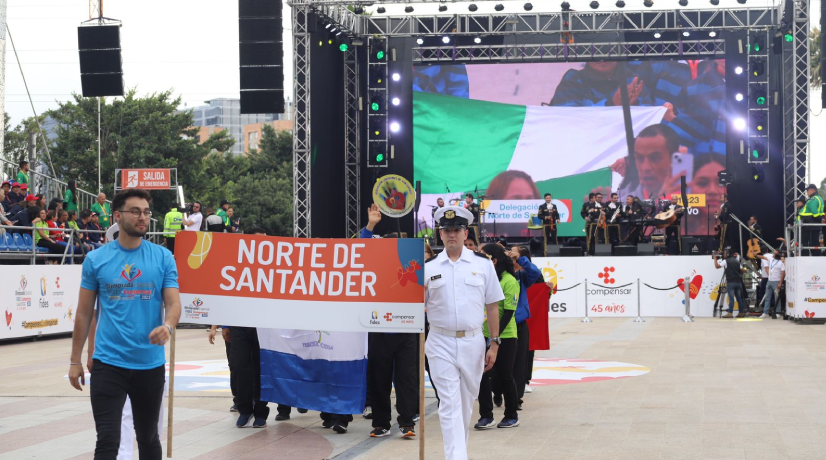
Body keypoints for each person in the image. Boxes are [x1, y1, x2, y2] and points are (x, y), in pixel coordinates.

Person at [68, 188, 181, 459]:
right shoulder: (96, 259)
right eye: (135, 211)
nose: (142, 217)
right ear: (117, 216)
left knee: (148, 437)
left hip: (149, 365)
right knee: (107, 439)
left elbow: (174, 304)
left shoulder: (163, 257)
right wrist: (75, 361)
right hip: (109, 364)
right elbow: (84, 314)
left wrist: (168, 326)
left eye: (145, 212)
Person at [425, 205, 503, 460]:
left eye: (456, 229)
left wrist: (494, 343)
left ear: (465, 232)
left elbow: (492, 305)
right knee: (448, 404)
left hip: (473, 342)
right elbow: (415, 305)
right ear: (440, 234)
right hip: (439, 341)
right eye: (446, 230)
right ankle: (456, 457)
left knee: (466, 404)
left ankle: (459, 453)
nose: (451, 234)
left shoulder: (482, 265)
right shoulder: (427, 267)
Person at [360, 204, 418, 438]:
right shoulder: (373, 265)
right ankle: (381, 422)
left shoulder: (411, 265)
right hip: (378, 329)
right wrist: (371, 225)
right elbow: (362, 250)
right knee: (379, 379)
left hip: (406, 330)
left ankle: (407, 422)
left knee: (407, 379)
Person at [475, 243, 520, 430]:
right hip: (482, 334)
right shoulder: (483, 279)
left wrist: (495, 337)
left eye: (483, 256)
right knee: (482, 375)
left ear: (493, 261)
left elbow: (508, 313)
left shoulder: (509, 281)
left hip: (506, 336)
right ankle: (486, 415)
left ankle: (511, 414)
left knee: (504, 376)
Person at [616, 124, 682, 202]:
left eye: (655, 158)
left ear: (675, 160)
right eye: (639, 158)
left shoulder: (694, 197)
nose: (645, 168)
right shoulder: (622, 207)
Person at [510, 246, 541, 407]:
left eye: (515, 252)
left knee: (520, 361)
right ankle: (500, 391)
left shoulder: (522, 275)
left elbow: (536, 273)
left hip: (520, 323)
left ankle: (517, 397)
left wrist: (521, 260)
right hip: (502, 323)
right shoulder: (500, 275)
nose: (512, 254)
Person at [687, 153, 726, 236]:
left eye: (721, 183)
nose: (712, 191)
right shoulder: (677, 227)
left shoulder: (742, 230)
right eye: (703, 183)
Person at [713, 249, 747, 318]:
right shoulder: (737, 261)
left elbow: (717, 266)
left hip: (731, 282)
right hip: (738, 282)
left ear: (728, 254)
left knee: (731, 298)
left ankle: (730, 313)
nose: (724, 254)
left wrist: (715, 259)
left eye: (725, 253)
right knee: (739, 298)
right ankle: (741, 312)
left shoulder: (726, 261)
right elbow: (743, 270)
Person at [756, 249, 785, 319]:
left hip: (776, 281)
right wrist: (755, 255)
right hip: (769, 281)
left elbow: (783, 273)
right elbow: (763, 257)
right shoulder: (771, 259)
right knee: (767, 297)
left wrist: (780, 283)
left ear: (777, 255)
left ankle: (778, 312)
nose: (773, 254)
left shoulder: (781, 263)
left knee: (777, 298)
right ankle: (765, 312)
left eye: (774, 253)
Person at [799, 184, 824, 256]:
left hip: (809, 225)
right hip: (812, 224)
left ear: (813, 190)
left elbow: (814, 212)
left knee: (807, 243)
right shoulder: (818, 198)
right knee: (813, 242)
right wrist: (821, 219)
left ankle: (809, 256)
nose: (807, 192)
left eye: (807, 190)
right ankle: (815, 256)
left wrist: (820, 219)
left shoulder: (813, 199)